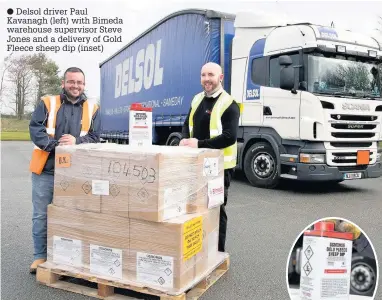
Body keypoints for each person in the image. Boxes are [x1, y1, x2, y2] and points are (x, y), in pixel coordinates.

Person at [28, 67, 101, 273]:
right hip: (46, 170)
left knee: (75, 215)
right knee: (41, 215)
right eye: (71, 82)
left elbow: (96, 136)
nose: (75, 86)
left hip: (77, 173)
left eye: (79, 82)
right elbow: (36, 130)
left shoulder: (93, 108)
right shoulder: (47, 103)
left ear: (84, 85)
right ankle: (40, 256)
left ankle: (68, 258)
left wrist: (76, 141)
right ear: (63, 83)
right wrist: (57, 147)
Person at [180, 62, 240, 252]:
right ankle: (199, 249)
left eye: (211, 75)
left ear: (220, 78)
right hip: (196, 165)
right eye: (203, 75)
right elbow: (186, 123)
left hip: (219, 169)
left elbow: (230, 137)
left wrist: (199, 144)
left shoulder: (229, 103)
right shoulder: (197, 99)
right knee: (196, 208)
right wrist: (183, 140)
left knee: (215, 209)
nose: (207, 79)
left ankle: (217, 252)